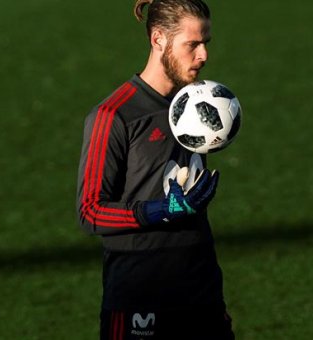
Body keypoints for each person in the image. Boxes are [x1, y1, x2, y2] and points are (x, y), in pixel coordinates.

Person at [76, 0, 234, 339]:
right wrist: (159, 210)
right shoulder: (114, 116)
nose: (204, 54)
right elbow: (90, 212)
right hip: (139, 296)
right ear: (158, 38)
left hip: (200, 289)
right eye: (192, 44)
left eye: (206, 42)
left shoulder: (197, 104)